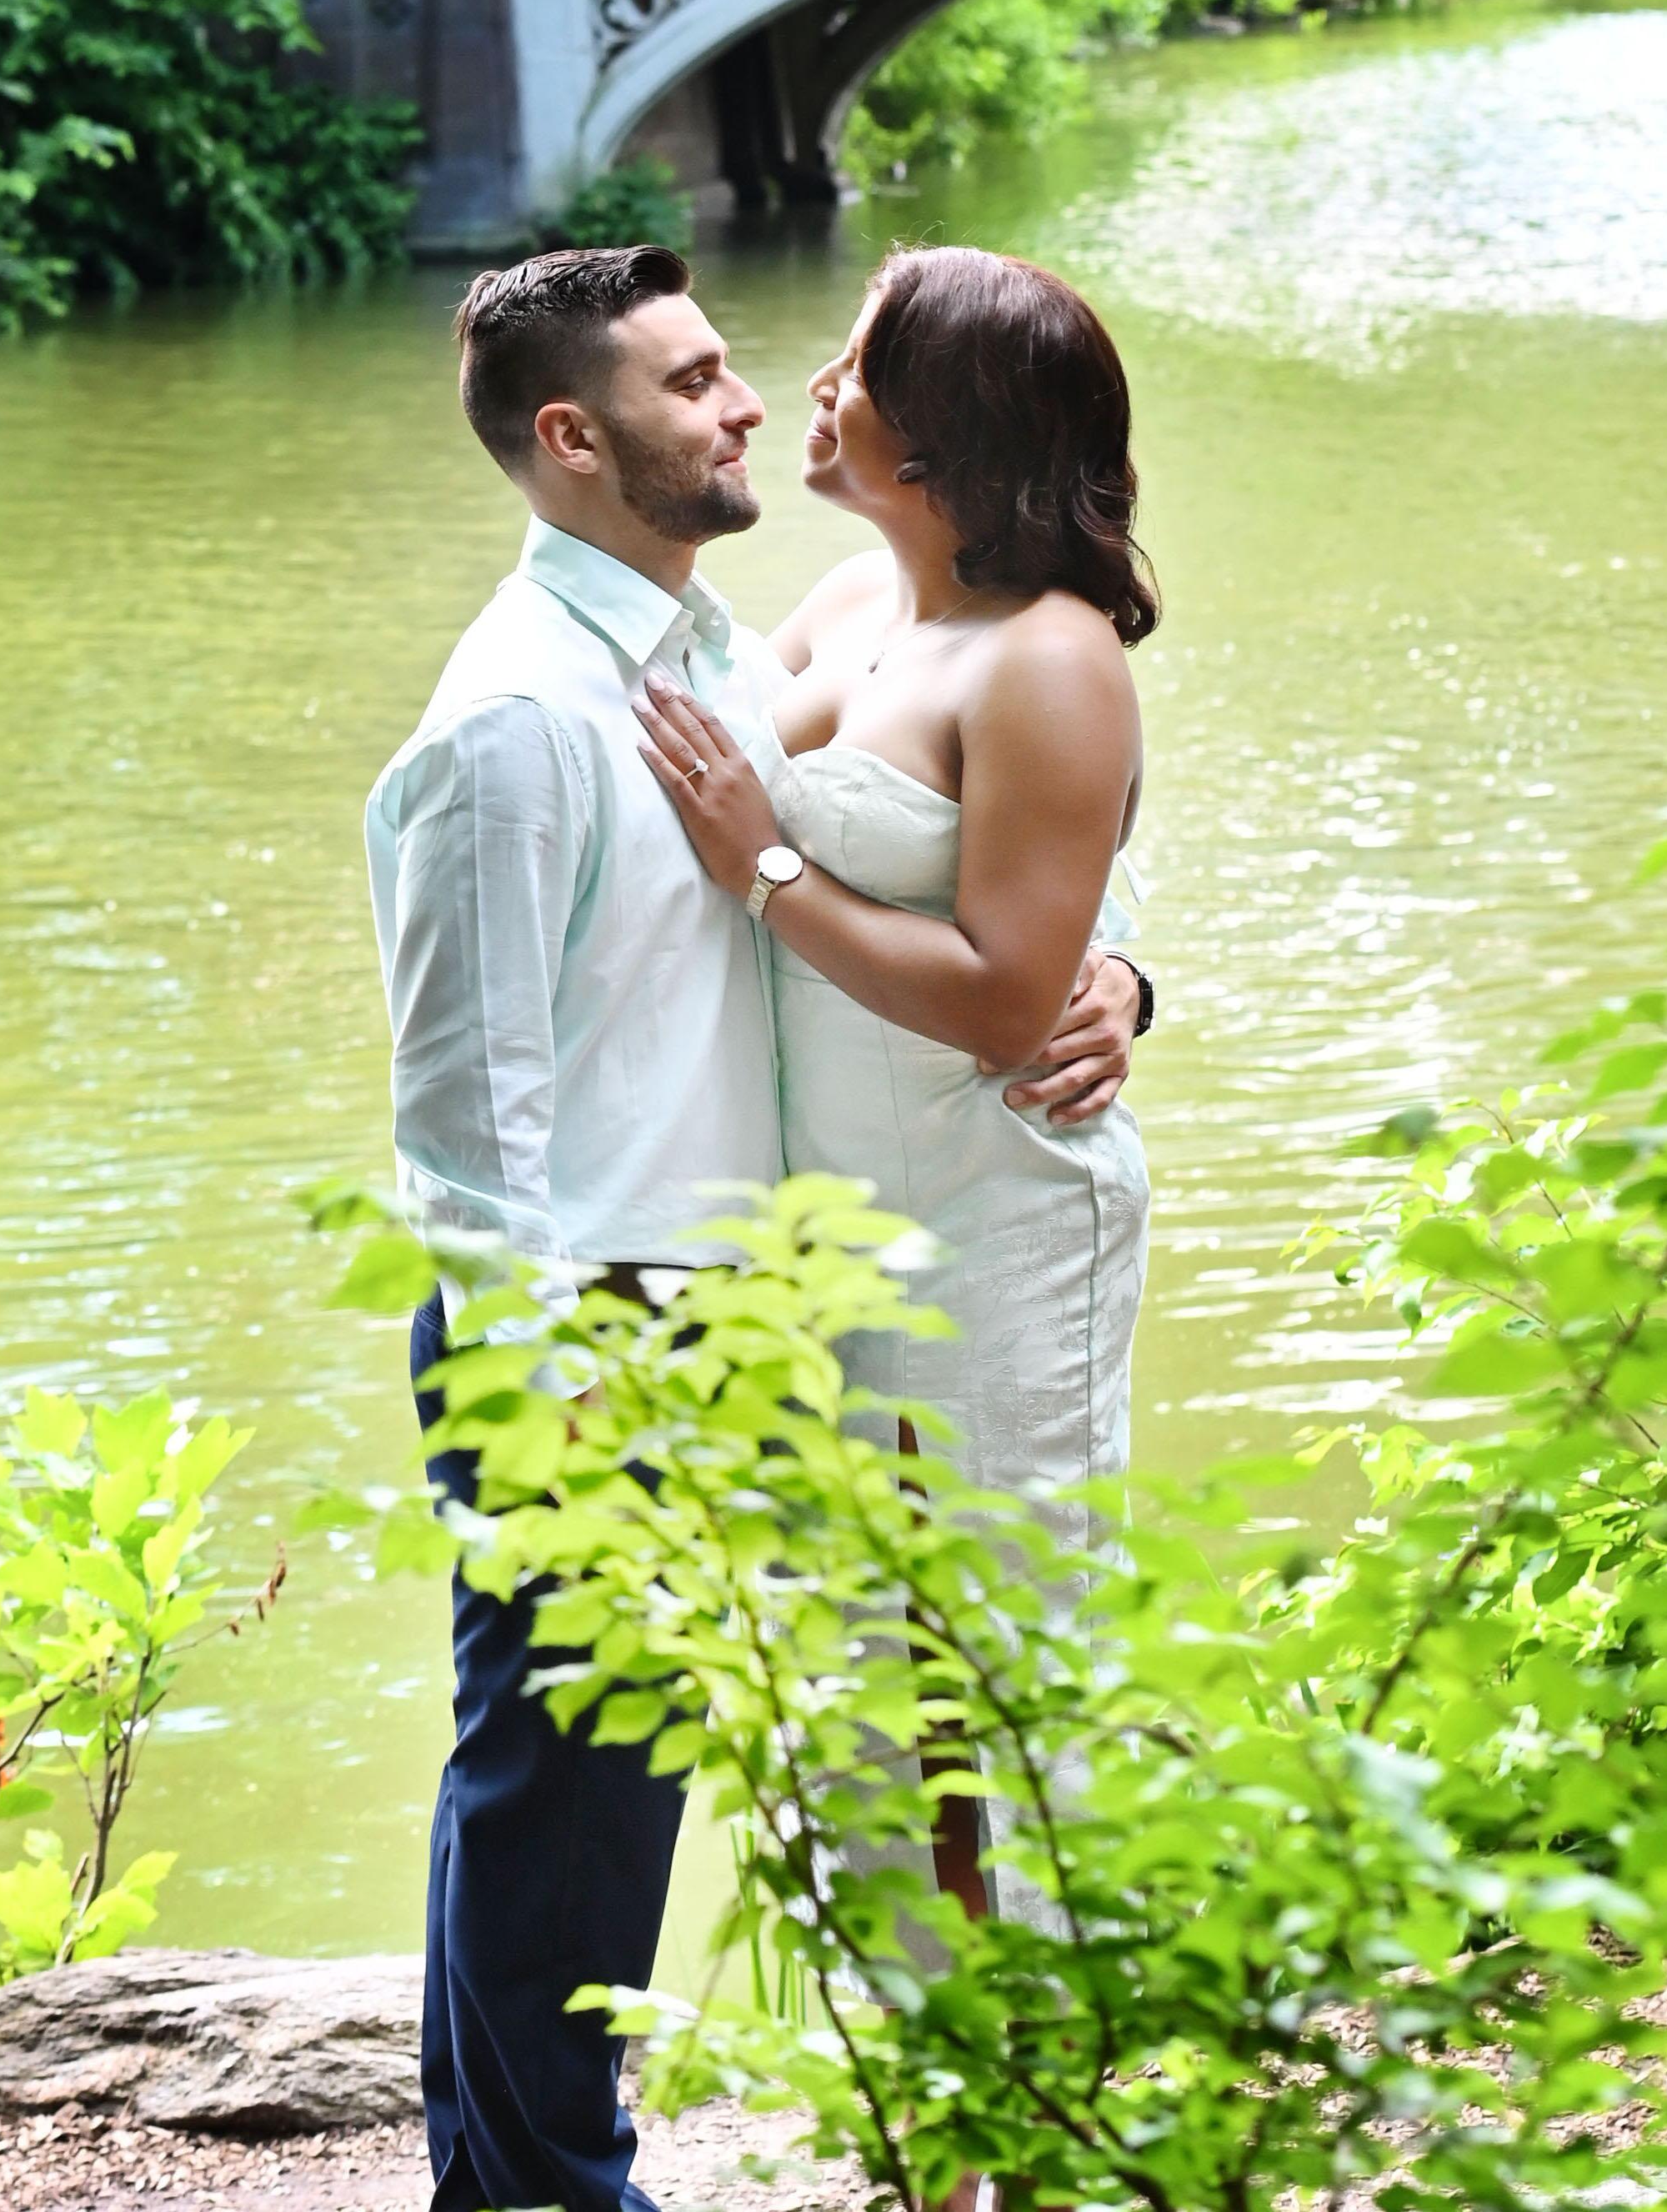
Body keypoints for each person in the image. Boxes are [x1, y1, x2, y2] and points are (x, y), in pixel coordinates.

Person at [364, 243, 1146, 2212]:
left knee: (784, 1747)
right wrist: (532, 1389)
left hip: (814, 1276)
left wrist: (1118, 981)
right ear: (572, 437)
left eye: (791, 370)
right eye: (699, 376)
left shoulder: (705, 644)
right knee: (568, 1786)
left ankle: (977, 2142)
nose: (758, 398)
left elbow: (984, 888)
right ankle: (543, 2191)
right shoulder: (526, 718)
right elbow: (471, 1119)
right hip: (591, 1313)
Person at [631, 245, 1156, 1507]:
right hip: (828, 1207)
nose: (814, 384)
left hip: (993, 1206)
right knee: (863, 1663)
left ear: (938, 432)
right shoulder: (855, 598)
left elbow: (1009, 1001)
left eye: (859, 364)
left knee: (997, 1636)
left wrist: (765, 870)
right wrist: (1128, 965)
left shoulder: (1047, 655)